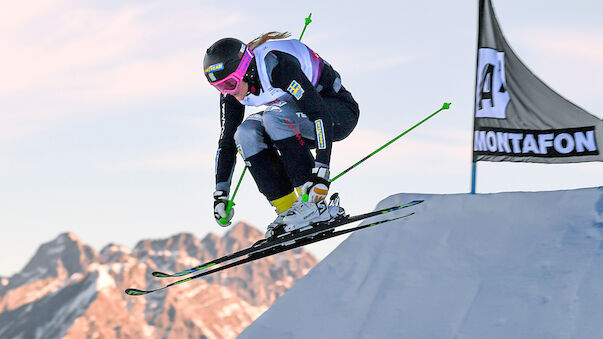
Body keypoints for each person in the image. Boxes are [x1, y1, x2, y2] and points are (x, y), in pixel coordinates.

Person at [203, 32, 359, 238]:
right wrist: (220, 193)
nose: (227, 92)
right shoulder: (232, 92)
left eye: (229, 84)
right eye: (219, 87)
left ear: (245, 70)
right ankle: (289, 210)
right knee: (245, 133)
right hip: (297, 122)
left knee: (273, 117)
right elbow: (226, 142)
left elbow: (319, 114)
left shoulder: (276, 67)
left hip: (337, 115)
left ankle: (314, 207)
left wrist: (321, 174)